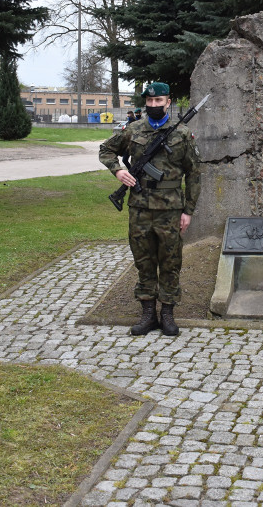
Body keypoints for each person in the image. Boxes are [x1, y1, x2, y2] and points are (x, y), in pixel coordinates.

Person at [99, 83, 200, 336]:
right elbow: (106, 149)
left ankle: (167, 314)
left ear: (169, 102)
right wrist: (119, 170)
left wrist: (188, 210)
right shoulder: (133, 130)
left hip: (171, 210)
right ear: (146, 102)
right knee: (143, 261)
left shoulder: (183, 134)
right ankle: (147, 314)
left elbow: (194, 173)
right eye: (150, 101)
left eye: (159, 101)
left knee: (170, 261)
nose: (154, 105)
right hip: (140, 208)